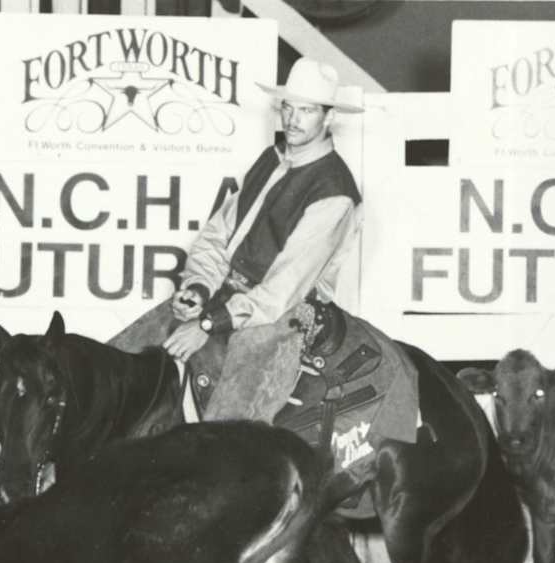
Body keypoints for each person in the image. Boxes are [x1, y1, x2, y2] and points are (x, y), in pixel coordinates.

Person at [108, 57, 363, 423]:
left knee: (227, 428)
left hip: (282, 315)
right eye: (288, 107)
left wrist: (209, 325)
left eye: (306, 110)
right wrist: (198, 288)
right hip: (230, 297)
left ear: (328, 117)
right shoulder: (270, 160)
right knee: (117, 363)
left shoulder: (334, 191)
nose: (292, 119)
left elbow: (284, 289)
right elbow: (218, 236)